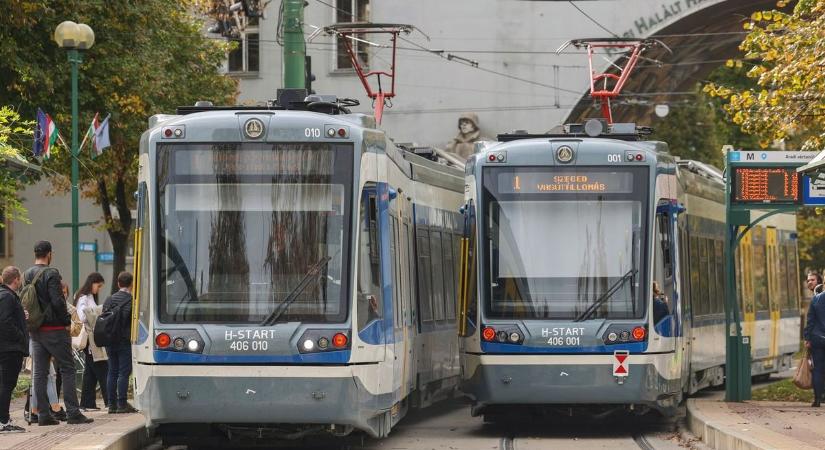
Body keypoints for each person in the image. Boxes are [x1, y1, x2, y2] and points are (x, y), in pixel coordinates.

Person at [25, 241, 93, 425]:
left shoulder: (27, 274)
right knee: (68, 369)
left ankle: (43, 415)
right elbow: (57, 300)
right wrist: (65, 321)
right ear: (49, 254)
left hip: (36, 330)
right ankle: (73, 413)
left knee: (39, 373)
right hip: (55, 329)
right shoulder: (51, 273)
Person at [103, 272, 137, 414]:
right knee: (124, 373)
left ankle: (111, 405)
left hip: (110, 340)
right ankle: (122, 404)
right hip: (124, 340)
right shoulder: (132, 300)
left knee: (112, 371)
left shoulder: (109, 299)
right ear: (131, 284)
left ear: (118, 283)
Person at [74, 273, 108, 411]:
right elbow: (82, 316)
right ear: (92, 283)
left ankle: (87, 403)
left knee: (91, 373)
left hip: (92, 338)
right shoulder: (84, 298)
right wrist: (97, 311)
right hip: (90, 339)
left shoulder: (87, 297)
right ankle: (109, 400)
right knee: (102, 368)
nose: (98, 289)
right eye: (98, 286)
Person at [0, 267, 28, 433]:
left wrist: (21, 316)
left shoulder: (5, 296)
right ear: (16, 279)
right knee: (7, 384)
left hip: (7, 347)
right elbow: (4, 321)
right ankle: (3, 422)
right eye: (19, 279)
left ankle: (4, 419)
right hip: (10, 348)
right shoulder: (8, 297)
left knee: (5, 384)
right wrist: (20, 336)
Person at [805, 289, 825, 407]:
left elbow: (810, 321)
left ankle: (817, 399)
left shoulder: (816, 299)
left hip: (817, 338)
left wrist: (807, 338)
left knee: (817, 369)